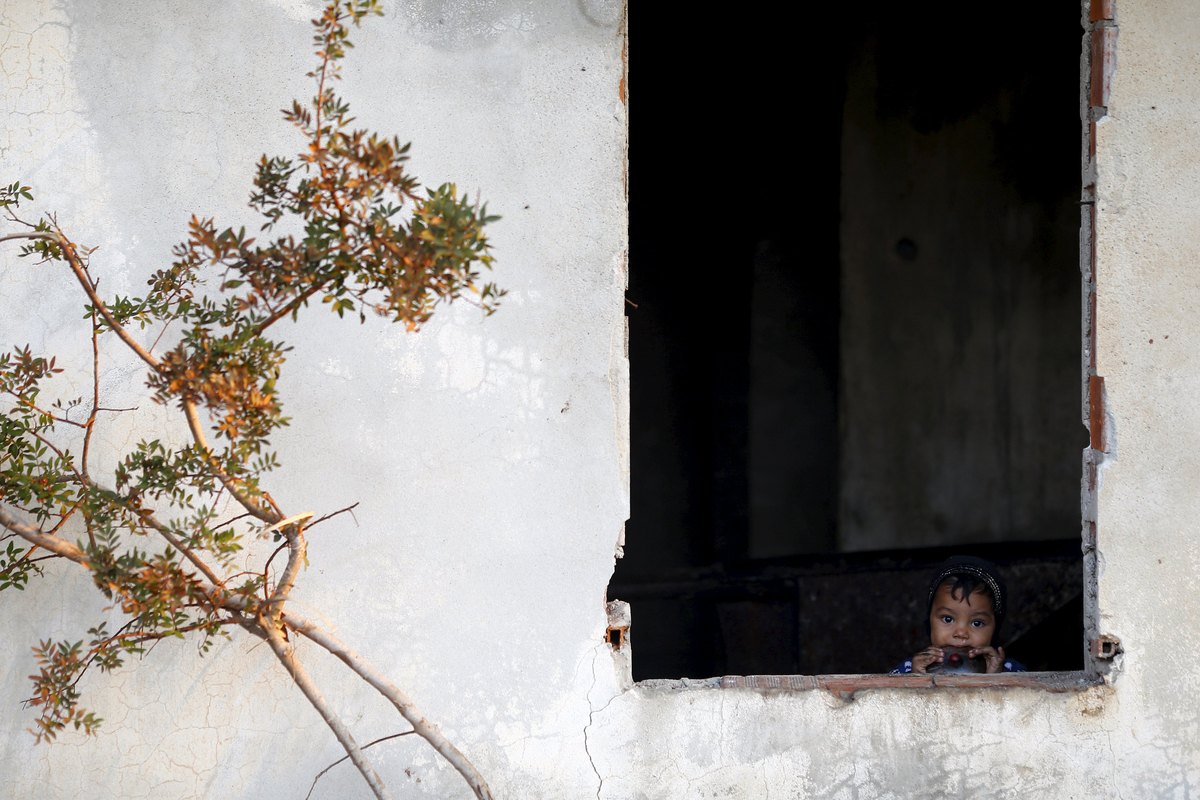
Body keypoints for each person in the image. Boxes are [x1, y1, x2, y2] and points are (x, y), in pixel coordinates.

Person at [890, 554, 1025, 674]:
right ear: (929, 621)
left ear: (995, 628)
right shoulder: (909, 670)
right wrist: (916, 682)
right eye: (948, 619)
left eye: (977, 623)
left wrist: (995, 680)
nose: (961, 633)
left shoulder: (1010, 671)